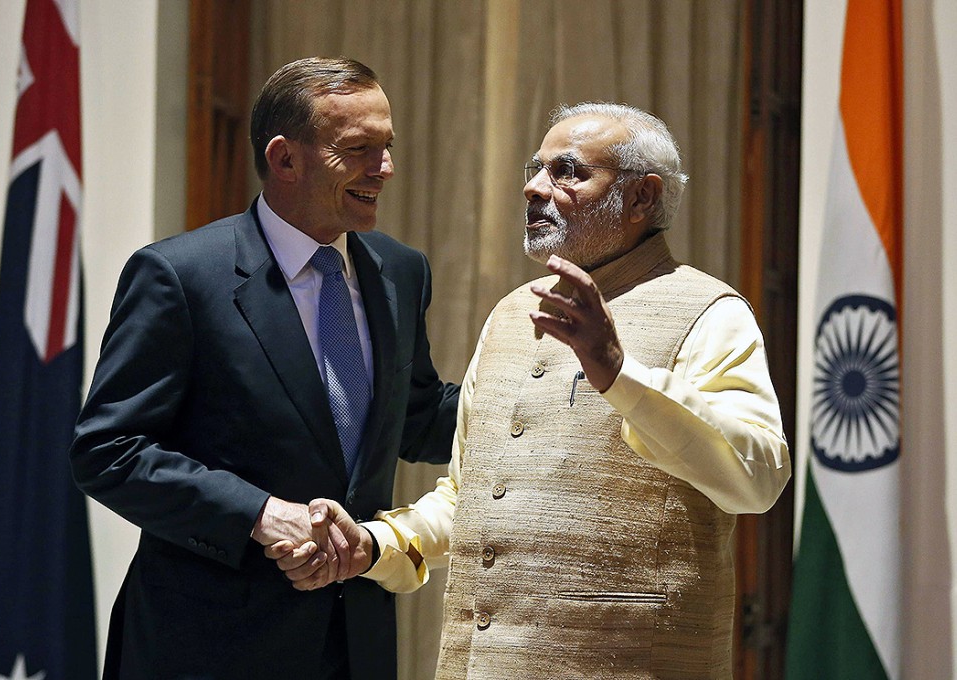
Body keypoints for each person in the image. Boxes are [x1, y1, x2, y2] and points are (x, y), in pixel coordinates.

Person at [276, 102, 791, 678]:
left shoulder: (709, 311)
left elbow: (759, 477)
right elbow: (472, 497)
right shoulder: (511, 313)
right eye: (535, 169)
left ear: (643, 197)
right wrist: (375, 545)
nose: (534, 188)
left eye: (567, 171)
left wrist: (619, 372)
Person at [69, 57, 458, 680]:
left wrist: (537, 394)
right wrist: (257, 513)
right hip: (208, 646)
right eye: (360, 150)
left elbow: (413, 418)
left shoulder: (401, 271)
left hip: (354, 642)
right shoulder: (180, 276)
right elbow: (108, 450)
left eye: (387, 148)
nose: (384, 170)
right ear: (285, 159)